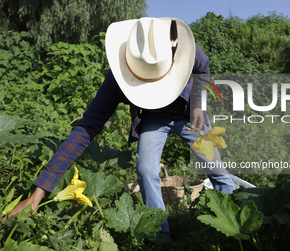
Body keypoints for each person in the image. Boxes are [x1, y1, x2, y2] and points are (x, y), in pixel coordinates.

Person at [2, 17, 235, 234]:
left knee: (216, 169)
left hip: (188, 114)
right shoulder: (116, 80)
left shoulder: (187, 50)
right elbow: (84, 130)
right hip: (154, 118)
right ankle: (159, 233)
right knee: (145, 170)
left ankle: (234, 224)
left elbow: (203, 70)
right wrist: (37, 195)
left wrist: (198, 104)